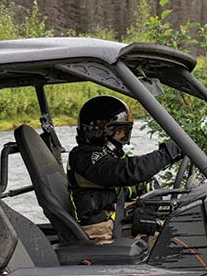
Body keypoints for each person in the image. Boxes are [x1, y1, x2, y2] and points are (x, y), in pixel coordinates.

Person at [67, 95, 184, 241]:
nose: (123, 138)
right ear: (98, 130)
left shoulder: (108, 157)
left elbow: (140, 181)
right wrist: (167, 154)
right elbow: (127, 172)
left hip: (116, 220)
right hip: (99, 232)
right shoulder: (84, 157)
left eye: (125, 132)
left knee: (179, 228)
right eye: (118, 132)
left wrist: (147, 208)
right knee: (175, 243)